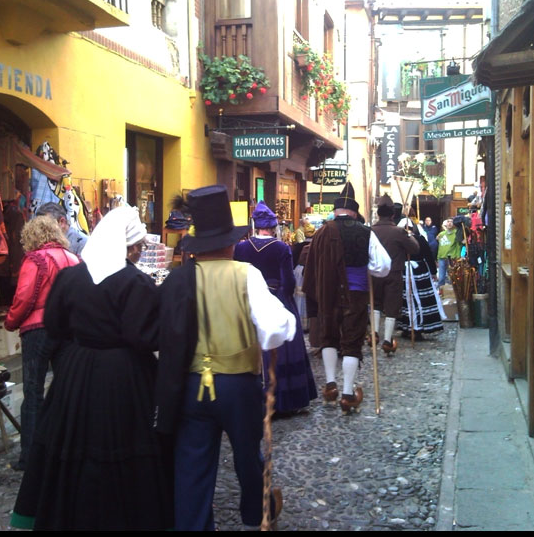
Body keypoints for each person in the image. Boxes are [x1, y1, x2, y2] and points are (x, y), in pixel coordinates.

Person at [10, 205, 173, 531]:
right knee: (128, 446)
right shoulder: (136, 283)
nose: (138, 251)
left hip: (77, 373)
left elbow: (54, 325)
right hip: (125, 377)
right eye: (135, 246)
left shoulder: (70, 279)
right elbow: (145, 337)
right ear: (125, 247)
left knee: (72, 444)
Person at [155, 185, 294, 531]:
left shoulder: (178, 279)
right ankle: (255, 516)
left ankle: (193, 524)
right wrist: (277, 332)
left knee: (193, 465)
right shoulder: (245, 275)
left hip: (190, 388)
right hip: (238, 388)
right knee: (248, 458)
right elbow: (275, 327)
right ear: (230, 243)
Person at [302, 182, 391, 414]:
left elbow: (309, 267)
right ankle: (348, 394)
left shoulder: (321, 232)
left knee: (329, 337)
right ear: (353, 212)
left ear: (336, 211)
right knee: (351, 342)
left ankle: (330, 385)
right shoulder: (365, 232)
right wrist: (366, 268)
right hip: (355, 294)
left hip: (327, 293)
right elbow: (383, 266)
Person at [4, 215, 80, 472]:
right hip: (67, 330)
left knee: (33, 393)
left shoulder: (35, 259)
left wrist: (11, 322)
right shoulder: (73, 259)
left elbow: (24, 297)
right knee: (64, 390)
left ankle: (31, 457)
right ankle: (65, 449)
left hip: (38, 330)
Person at [234, 200, 317, 415]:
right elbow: (288, 281)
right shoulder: (281, 248)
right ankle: (284, 401)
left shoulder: (241, 247)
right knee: (282, 346)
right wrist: (285, 300)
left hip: (248, 301)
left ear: (255, 226)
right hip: (276, 297)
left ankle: (255, 400)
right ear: (273, 227)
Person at [370, 194, 420, 356]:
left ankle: (374, 333)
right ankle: (387, 340)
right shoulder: (399, 232)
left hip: (373, 273)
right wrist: (409, 236)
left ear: (378, 214)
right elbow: (415, 249)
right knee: (392, 307)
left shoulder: (369, 231)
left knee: (375, 303)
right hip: (393, 273)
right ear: (392, 214)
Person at [398, 216, 445, 341]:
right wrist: (433, 272)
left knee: (417, 300)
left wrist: (433, 272)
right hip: (409, 272)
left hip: (418, 273)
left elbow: (428, 255)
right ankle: (409, 327)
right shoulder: (401, 240)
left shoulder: (418, 239)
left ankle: (417, 327)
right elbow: (428, 255)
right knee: (408, 301)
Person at [436, 218, 461, 287]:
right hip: (442, 257)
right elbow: (440, 246)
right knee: (441, 278)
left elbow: (458, 246)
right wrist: (438, 257)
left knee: (452, 278)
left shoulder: (456, 233)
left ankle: (452, 294)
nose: (449, 223)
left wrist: (458, 257)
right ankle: (441, 293)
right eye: (448, 222)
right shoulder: (441, 234)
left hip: (452, 258)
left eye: (451, 222)